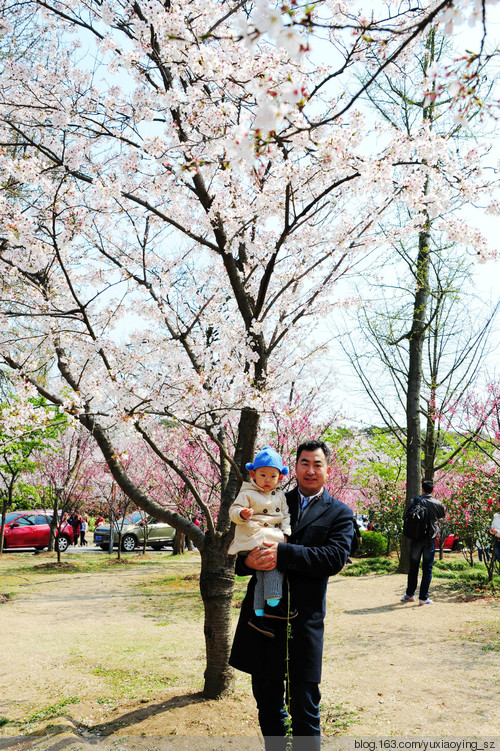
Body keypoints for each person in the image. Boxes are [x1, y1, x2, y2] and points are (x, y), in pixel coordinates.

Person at [229, 439, 354, 751]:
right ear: (294, 467)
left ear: (327, 469)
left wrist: (283, 553)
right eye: (304, 463)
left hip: (304, 622)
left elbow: (333, 558)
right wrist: (246, 561)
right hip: (263, 622)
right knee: (268, 705)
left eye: (317, 464)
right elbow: (242, 545)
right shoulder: (268, 499)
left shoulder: (339, 513)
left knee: (305, 709)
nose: (310, 470)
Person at [228, 446, 293, 638]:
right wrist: (242, 514)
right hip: (253, 535)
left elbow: (286, 515)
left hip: (268, 534)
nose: (267, 480)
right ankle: (274, 604)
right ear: (253, 474)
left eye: (273, 476)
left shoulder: (279, 495)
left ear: (280, 477)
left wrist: (286, 531)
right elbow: (233, 510)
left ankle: (258, 614)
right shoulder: (247, 491)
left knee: (261, 574)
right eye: (262, 475)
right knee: (275, 563)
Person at [401, 479, 445, 606]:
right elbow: (442, 515)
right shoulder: (437, 503)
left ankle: (409, 595)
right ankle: (423, 598)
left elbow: (405, 516)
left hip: (415, 539)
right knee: (427, 568)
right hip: (429, 539)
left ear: (422, 489)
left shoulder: (414, 501)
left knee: (413, 568)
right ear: (433, 490)